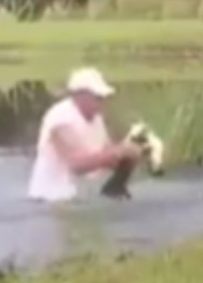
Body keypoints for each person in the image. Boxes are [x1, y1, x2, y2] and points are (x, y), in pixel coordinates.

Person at [27, 67, 143, 203]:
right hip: (49, 202)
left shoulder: (96, 119)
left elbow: (106, 158)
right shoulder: (60, 120)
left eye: (102, 97)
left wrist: (130, 154)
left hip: (79, 199)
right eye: (97, 97)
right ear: (80, 95)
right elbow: (76, 164)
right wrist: (117, 152)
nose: (102, 102)